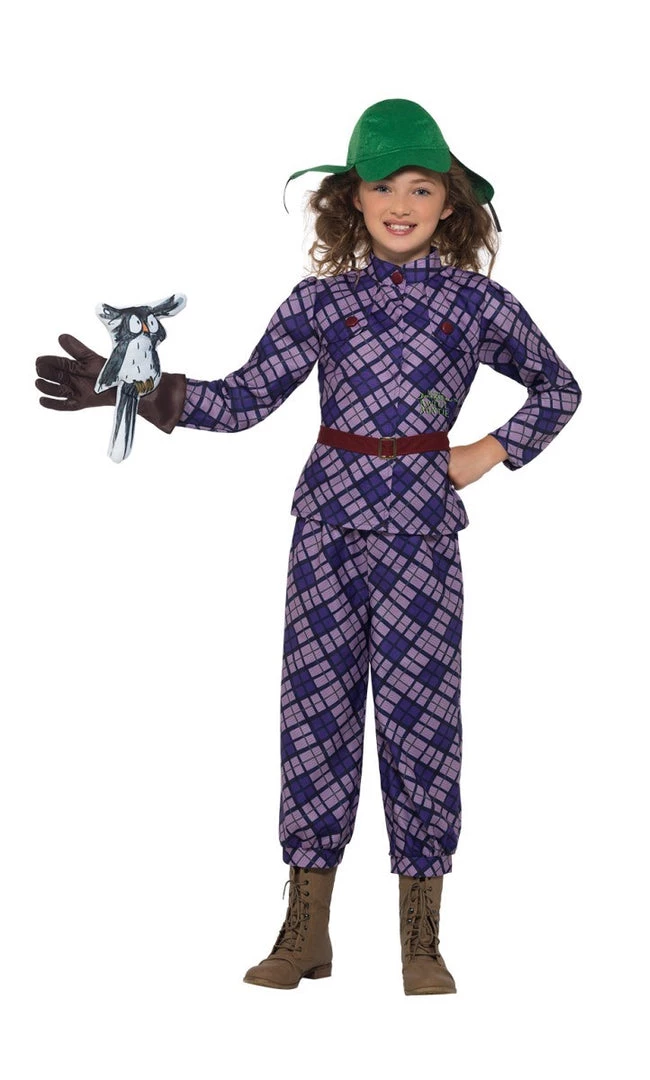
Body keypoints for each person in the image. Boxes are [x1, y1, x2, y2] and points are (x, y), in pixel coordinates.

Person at [34, 98, 582, 996]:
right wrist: (136, 388)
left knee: (422, 724)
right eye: (382, 186)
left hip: (420, 538)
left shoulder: (478, 303)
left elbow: (559, 387)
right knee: (314, 719)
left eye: (420, 187)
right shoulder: (320, 303)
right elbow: (244, 399)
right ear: (351, 198)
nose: (400, 204)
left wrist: (486, 452)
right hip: (326, 531)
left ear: (450, 202)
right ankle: (306, 928)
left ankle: (421, 939)